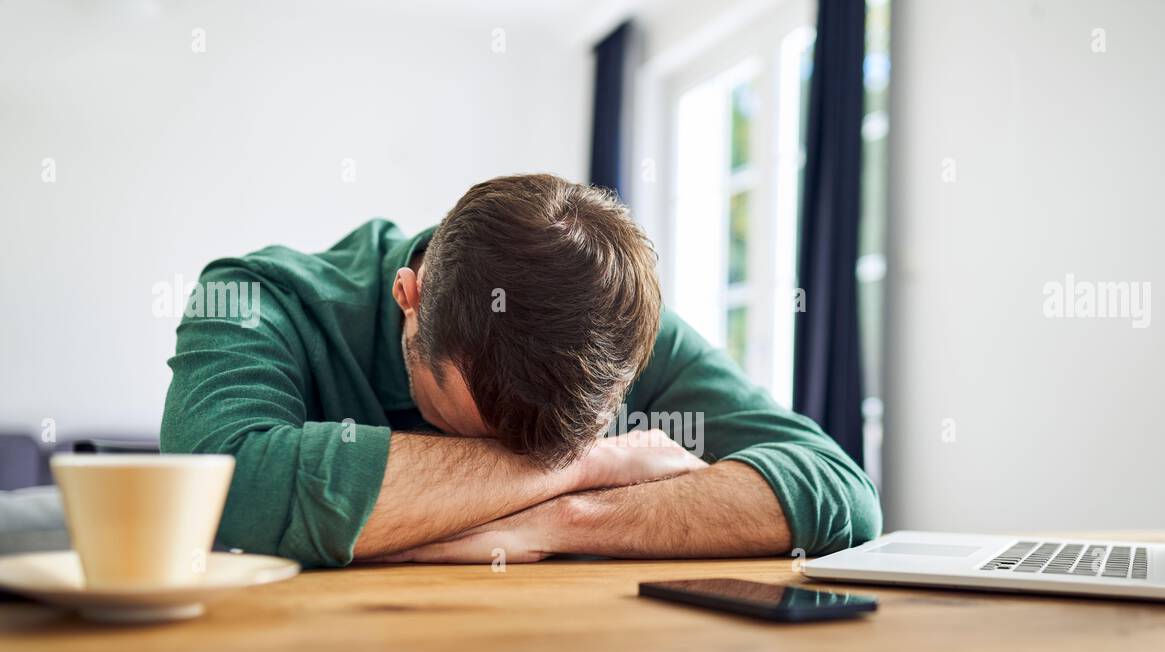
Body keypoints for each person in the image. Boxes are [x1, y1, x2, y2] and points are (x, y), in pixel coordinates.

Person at [160, 173, 880, 567]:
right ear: (408, 301)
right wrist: (592, 463)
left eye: (561, 449)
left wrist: (567, 519)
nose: (511, 461)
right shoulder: (257, 297)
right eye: (470, 426)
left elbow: (839, 493)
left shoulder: (609, 323)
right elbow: (217, 485)